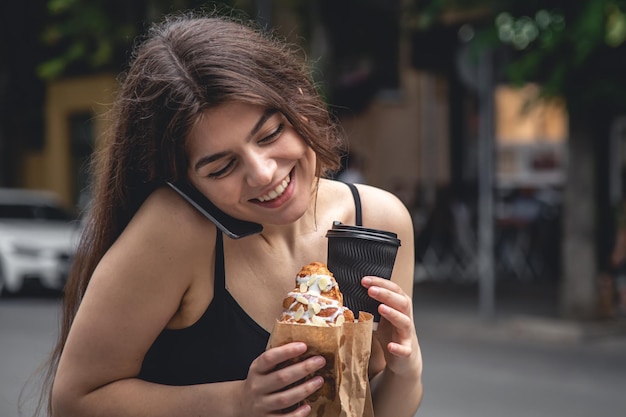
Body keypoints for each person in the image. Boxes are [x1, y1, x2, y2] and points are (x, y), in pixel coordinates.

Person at [41, 11, 423, 417]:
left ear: (299, 102)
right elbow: (74, 400)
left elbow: (373, 404)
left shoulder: (377, 222)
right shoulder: (177, 229)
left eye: (271, 133)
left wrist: (406, 371)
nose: (263, 173)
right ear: (184, 179)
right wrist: (237, 402)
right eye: (221, 167)